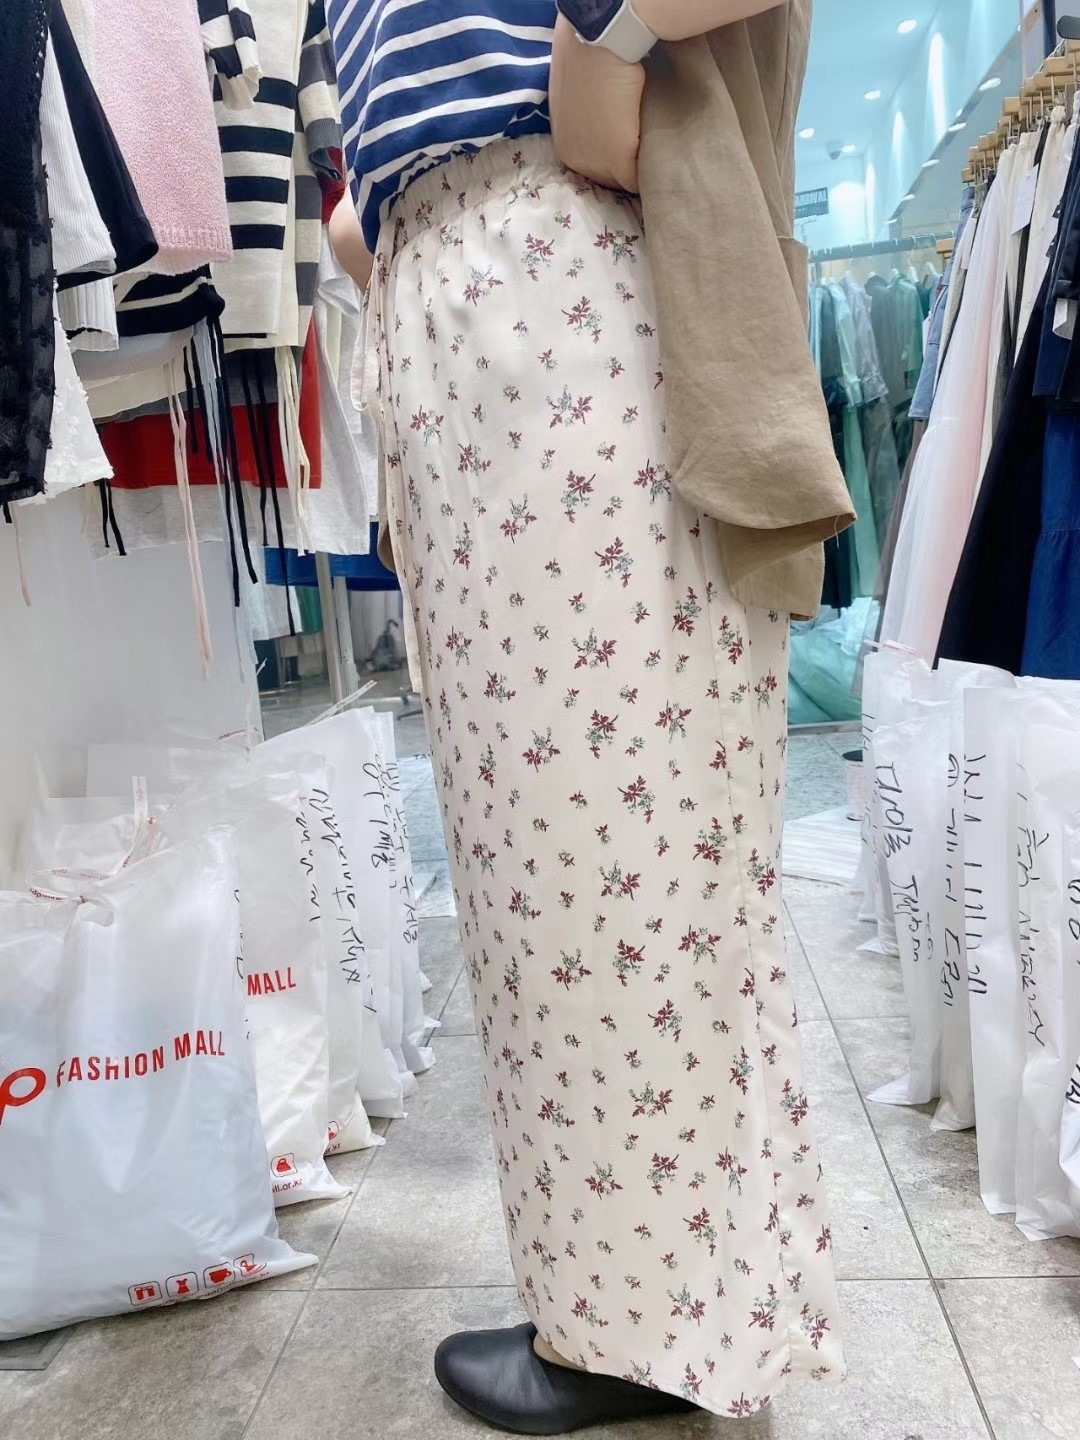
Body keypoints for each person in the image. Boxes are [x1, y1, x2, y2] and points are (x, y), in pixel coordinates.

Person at [325, 2, 845, 1431]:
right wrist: (387, 209)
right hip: (468, 294)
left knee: (619, 861)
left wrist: (605, 34)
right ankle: (625, 1305)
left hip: (558, 265)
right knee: (539, 880)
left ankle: (649, 1335)